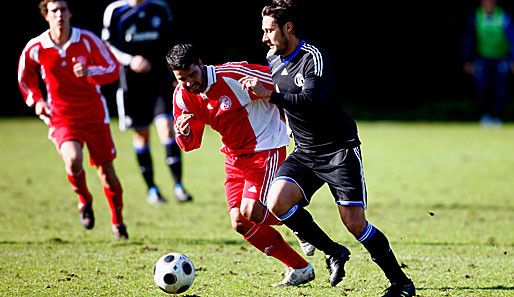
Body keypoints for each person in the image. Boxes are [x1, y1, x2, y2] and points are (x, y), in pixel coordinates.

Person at [238, 1, 416, 296]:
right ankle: (333, 251)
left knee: (355, 224)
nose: (265, 37)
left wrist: (269, 95)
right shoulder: (273, 59)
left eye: (269, 30)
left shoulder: (313, 58)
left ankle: (401, 283)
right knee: (277, 202)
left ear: (288, 28)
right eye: (264, 31)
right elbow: (286, 101)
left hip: (338, 150)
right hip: (305, 152)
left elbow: (312, 101)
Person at [166, 43, 314, 287]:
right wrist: (181, 132)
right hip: (234, 157)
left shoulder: (233, 74)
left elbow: (283, 83)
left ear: (201, 63)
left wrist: (292, 121)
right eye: (182, 79)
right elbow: (190, 144)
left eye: (192, 74)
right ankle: (299, 267)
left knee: (252, 210)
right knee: (240, 222)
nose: (190, 82)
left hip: (266, 145)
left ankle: (298, 223)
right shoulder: (182, 97)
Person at [18, 0, 128, 239]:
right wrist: (36, 100)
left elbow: (112, 68)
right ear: (46, 16)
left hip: (94, 115)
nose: (59, 15)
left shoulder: (87, 40)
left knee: (107, 173)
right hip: (62, 116)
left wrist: (90, 71)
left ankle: (118, 222)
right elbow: (25, 77)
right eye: (54, 11)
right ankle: (84, 200)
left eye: (63, 10)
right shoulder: (36, 47)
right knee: (74, 159)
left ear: (70, 13)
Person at [102, 0, 192, 204]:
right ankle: (152, 189)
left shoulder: (160, 8)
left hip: (160, 82)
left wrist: (175, 74)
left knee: (168, 129)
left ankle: (179, 186)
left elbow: (172, 42)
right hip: (132, 85)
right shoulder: (115, 11)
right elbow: (106, 44)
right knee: (142, 135)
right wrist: (130, 60)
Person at [462, 0, 514, 127]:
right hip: (482, 58)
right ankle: (485, 116)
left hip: (501, 58)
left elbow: (512, 37)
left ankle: (498, 117)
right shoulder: (476, 17)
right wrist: (467, 59)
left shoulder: (503, 17)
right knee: (482, 88)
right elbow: (468, 38)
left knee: (501, 89)